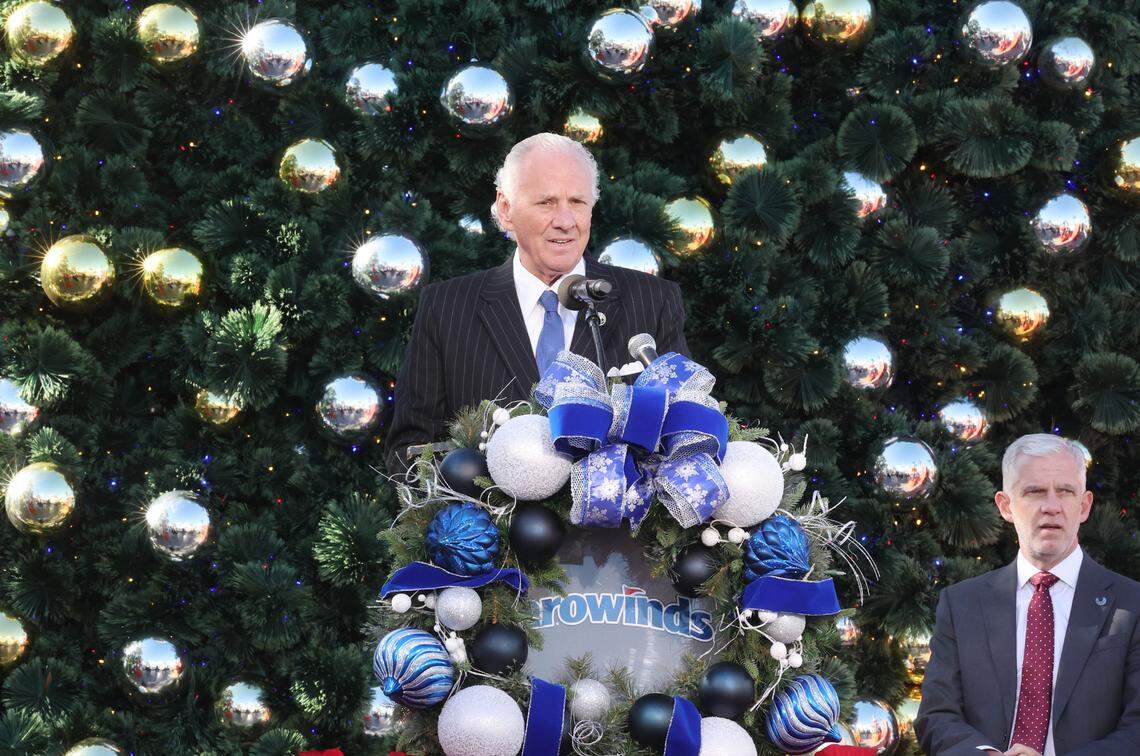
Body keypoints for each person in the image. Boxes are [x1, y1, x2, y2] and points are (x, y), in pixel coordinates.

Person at [384, 133, 689, 474]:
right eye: (546, 202)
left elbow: (685, 435)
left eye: (577, 202)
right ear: (506, 209)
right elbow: (408, 453)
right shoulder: (446, 307)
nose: (565, 220)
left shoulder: (652, 300)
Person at [915, 434, 1140, 756]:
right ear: (1006, 506)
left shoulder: (1132, 604)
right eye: (1034, 492)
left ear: (1084, 505)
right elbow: (937, 716)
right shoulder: (961, 604)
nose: (1051, 507)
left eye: (1065, 491)